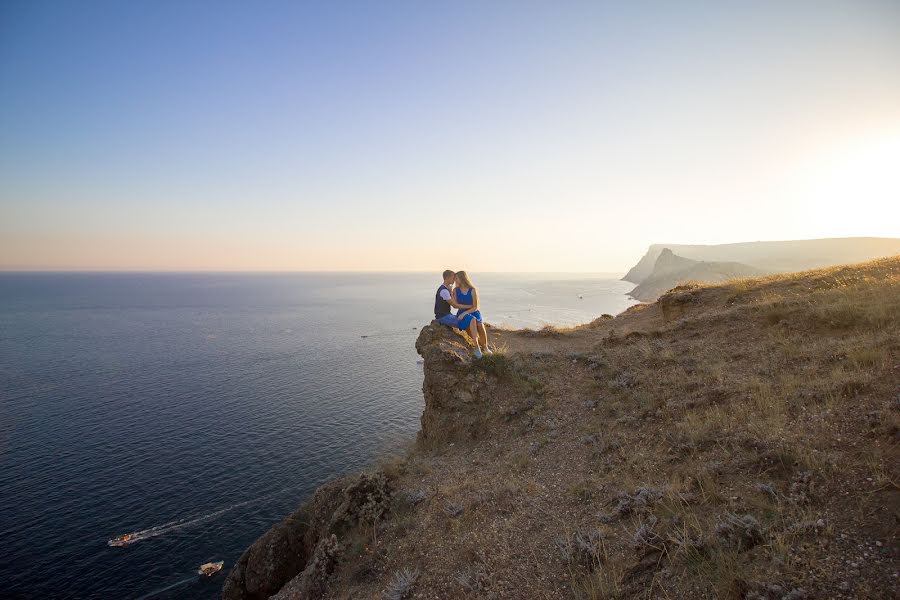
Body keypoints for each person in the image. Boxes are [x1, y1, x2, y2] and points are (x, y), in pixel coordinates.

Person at [453, 270, 491, 358]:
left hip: (473, 312)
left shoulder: (473, 290)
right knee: (471, 321)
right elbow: (455, 305)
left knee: (480, 324)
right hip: (462, 313)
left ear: (462, 279)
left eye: (457, 279)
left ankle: (485, 347)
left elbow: (475, 307)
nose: (455, 281)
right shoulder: (455, 290)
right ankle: (477, 347)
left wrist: (465, 311)